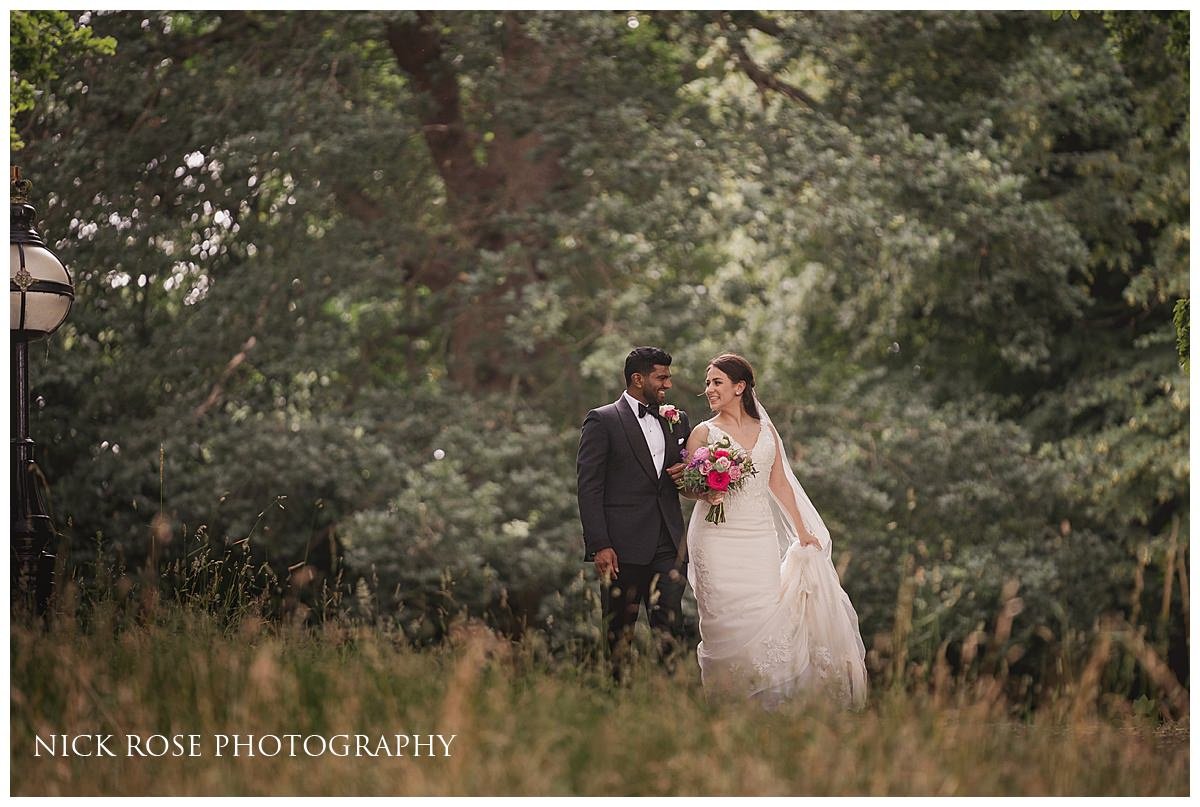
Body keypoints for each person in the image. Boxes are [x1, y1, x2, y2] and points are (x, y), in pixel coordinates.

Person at [684, 353, 868, 708]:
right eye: (707, 383)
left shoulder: (766, 431)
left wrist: (803, 531)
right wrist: (705, 488)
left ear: (740, 387)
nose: (709, 389)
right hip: (715, 537)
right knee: (722, 617)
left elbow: (780, 482)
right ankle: (728, 701)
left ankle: (769, 699)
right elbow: (687, 486)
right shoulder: (703, 432)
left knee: (763, 610)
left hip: (758, 538)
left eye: (716, 382)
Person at [577, 346, 693, 682]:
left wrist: (686, 471)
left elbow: (685, 471)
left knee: (672, 627)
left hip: (668, 545)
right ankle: (616, 705)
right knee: (618, 634)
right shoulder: (603, 420)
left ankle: (674, 700)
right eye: (662, 377)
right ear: (637, 379)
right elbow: (589, 487)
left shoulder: (677, 421)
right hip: (620, 548)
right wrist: (600, 544)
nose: (668, 384)